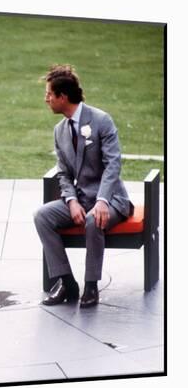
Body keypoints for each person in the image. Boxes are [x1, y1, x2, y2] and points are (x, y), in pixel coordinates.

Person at [34, 64, 133, 308]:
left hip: (112, 200)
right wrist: (71, 200)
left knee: (93, 219)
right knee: (42, 216)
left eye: (49, 94)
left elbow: (113, 165)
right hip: (81, 199)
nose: (46, 99)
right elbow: (64, 173)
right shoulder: (59, 131)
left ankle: (91, 285)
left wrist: (102, 201)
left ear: (63, 97)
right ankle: (67, 282)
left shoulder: (101, 121)